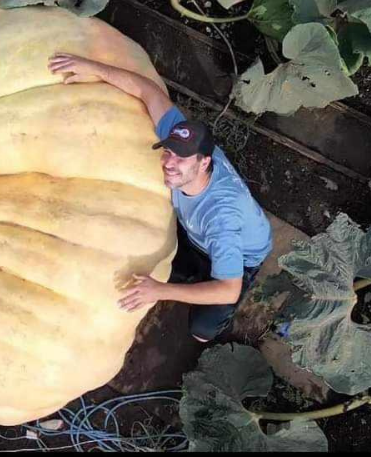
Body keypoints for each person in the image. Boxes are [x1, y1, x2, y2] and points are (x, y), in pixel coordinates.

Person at [48, 53, 273, 343]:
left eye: (180, 158)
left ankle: (213, 298)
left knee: (202, 330)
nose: (168, 162)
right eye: (168, 151)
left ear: (204, 163)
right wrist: (94, 68)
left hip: (242, 258)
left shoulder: (221, 220)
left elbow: (228, 288)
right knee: (170, 259)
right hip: (197, 234)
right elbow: (147, 91)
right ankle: (187, 266)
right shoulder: (188, 145)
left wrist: (159, 291)